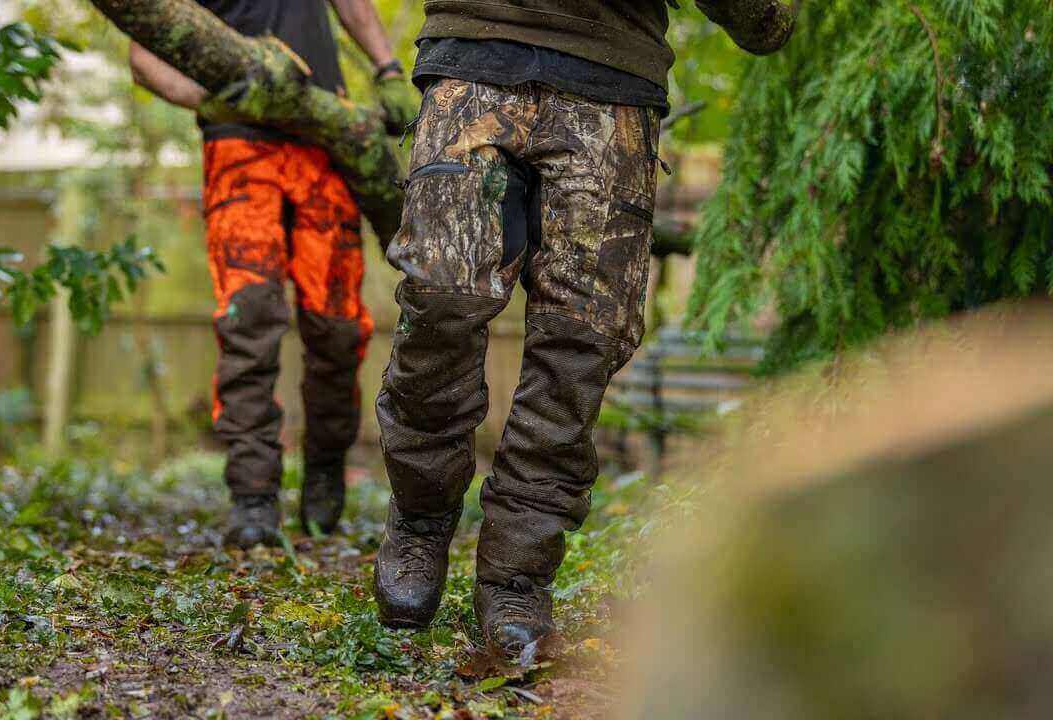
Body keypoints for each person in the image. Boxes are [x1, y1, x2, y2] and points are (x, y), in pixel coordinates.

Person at [372, 0, 796, 654]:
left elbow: (766, 25)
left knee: (583, 340)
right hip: (476, 48)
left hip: (612, 74)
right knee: (441, 298)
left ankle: (517, 570)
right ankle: (421, 518)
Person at [129, 1, 421, 549]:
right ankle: (253, 495)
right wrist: (208, 99)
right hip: (238, 144)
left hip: (325, 138)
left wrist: (386, 69)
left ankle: (325, 471)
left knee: (337, 326)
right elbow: (143, 55)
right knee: (249, 318)